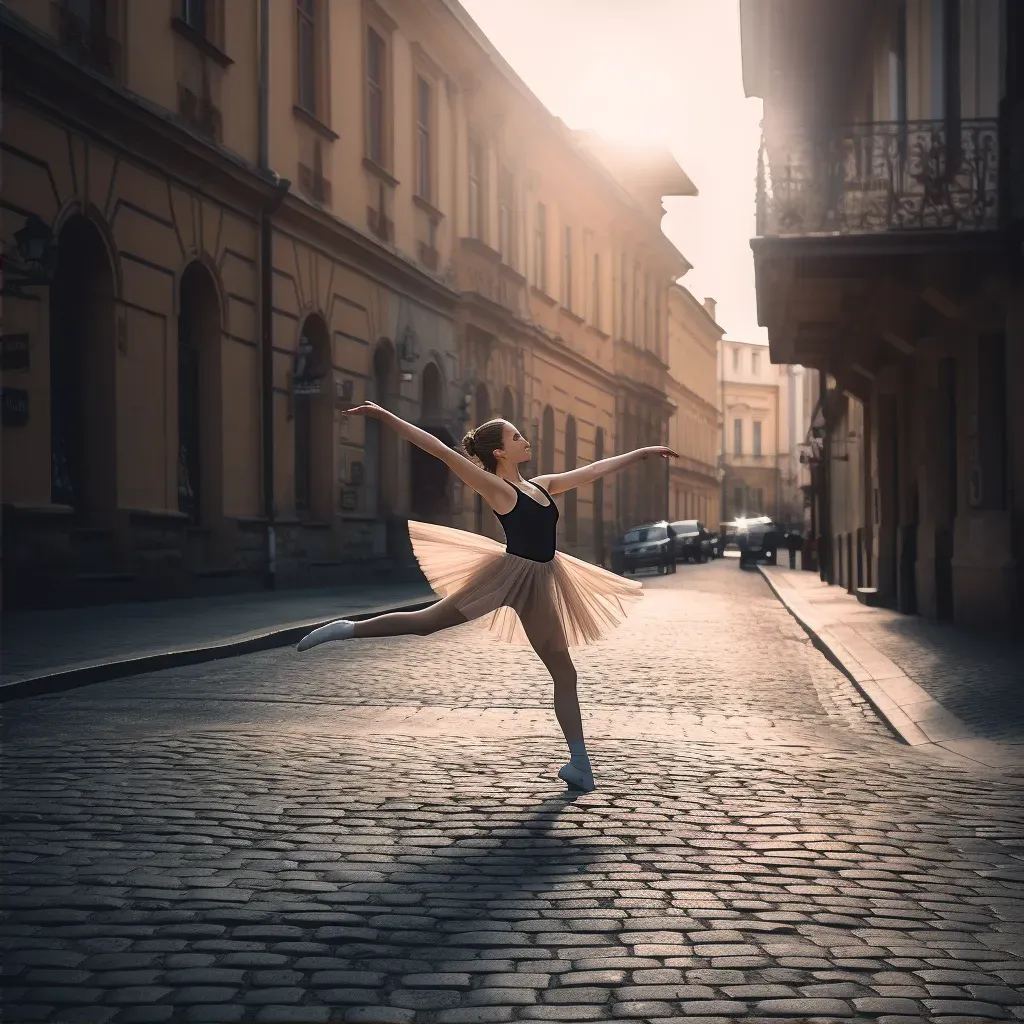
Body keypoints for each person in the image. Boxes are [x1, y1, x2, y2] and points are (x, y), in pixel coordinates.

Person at [297, 402, 678, 793]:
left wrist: (641, 453)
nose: (525, 441)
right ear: (499, 452)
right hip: (506, 576)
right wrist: (385, 416)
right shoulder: (496, 488)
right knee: (426, 623)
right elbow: (440, 450)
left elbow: (593, 471)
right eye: (516, 438)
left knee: (565, 673)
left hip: (542, 581)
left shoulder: (542, 485)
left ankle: (580, 765)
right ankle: (346, 628)